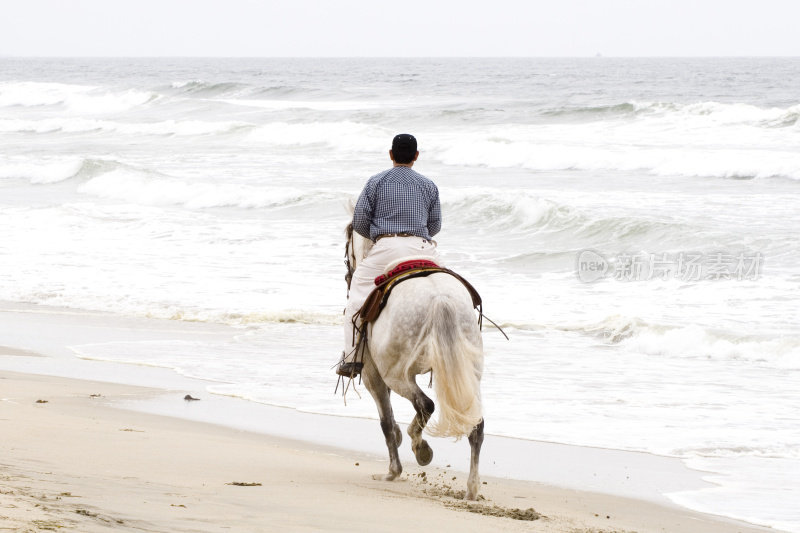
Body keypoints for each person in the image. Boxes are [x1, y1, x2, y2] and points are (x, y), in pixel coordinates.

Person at [337, 134, 442, 377]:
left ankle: (352, 358)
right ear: (416, 156)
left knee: (356, 298)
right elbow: (435, 225)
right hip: (423, 247)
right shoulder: (429, 185)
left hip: (387, 248)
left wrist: (378, 236)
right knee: (450, 284)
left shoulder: (375, 182)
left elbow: (360, 223)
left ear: (391, 154)